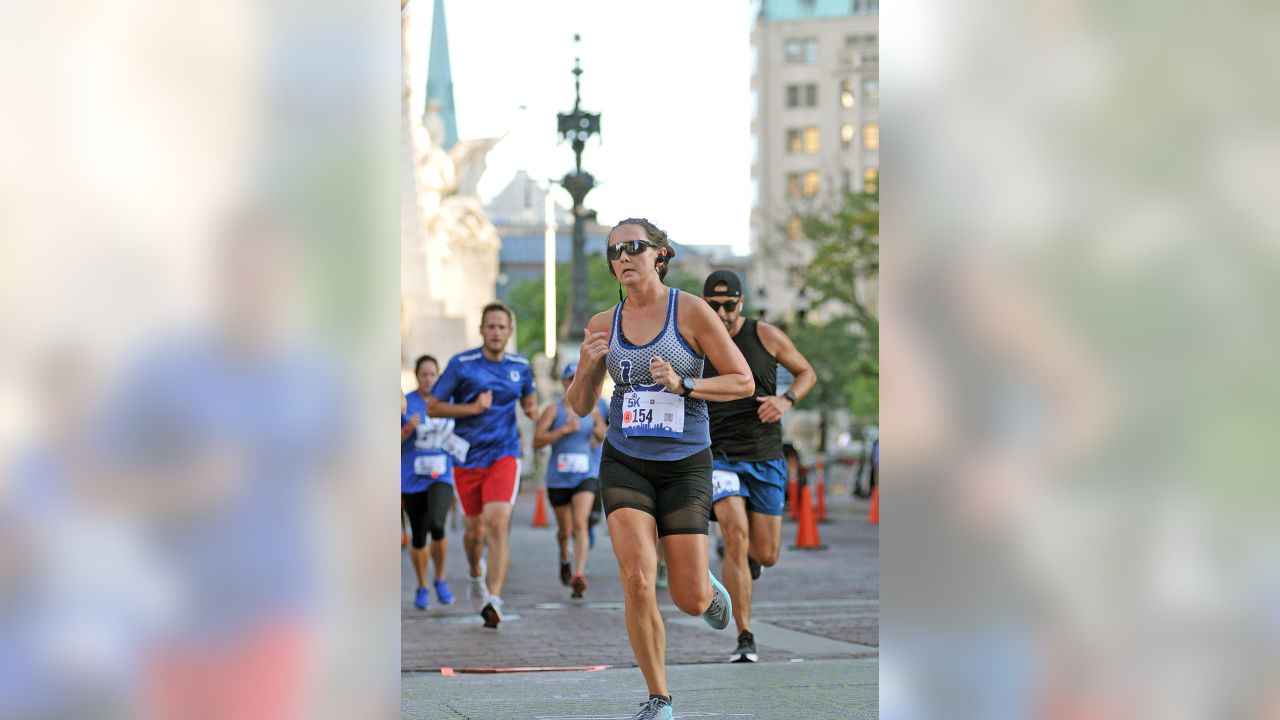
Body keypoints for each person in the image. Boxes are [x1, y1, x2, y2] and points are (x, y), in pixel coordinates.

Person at [566, 218, 754, 720]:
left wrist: (685, 385)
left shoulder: (689, 311)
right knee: (636, 578)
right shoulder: (603, 324)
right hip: (625, 461)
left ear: (659, 254)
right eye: (614, 252)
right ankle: (659, 698)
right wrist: (587, 369)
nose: (623, 257)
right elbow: (581, 407)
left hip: (685, 464)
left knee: (689, 600)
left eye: (634, 247)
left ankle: (707, 589)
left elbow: (742, 381)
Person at [701, 270, 816, 664]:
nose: (721, 312)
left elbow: (807, 372)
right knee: (734, 536)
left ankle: (751, 561)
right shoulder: (697, 343)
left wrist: (785, 400)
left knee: (765, 554)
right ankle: (745, 636)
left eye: (728, 304)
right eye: (713, 306)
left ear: (741, 303)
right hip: (719, 455)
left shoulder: (766, 336)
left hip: (765, 455)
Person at [427, 302, 538, 628]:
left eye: (502, 327)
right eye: (491, 326)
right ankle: (476, 574)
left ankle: (494, 598)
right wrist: (473, 409)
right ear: (481, 330)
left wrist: (532, 410)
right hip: (468, 459)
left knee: (498, 523)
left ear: (509, 331)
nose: (496, 332)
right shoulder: (462, 364)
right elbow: (434, 407)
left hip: (504, 454)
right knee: (474, 533)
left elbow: (528, 399)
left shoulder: (521, 365)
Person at [532, 361, 607, 598]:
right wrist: (561, 432)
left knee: (580, 523)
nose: (574, 381)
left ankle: (579, 573)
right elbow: (536, 441)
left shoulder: (592, 409)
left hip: (585, 474)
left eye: (578, 377)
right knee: (565, 530)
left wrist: (599, 435)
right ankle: (565, 556)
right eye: (569, 378)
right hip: (559, 477)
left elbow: (603, 432)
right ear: (563, 382)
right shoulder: (553, 410)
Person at [401, 355, 457, 610]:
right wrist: (406, 430)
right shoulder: (406, 404)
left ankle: (441, 578)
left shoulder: (448, 402)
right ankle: (423, 584)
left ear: (439, 376)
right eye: (423, 374)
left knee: (437, 524)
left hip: (442, 474)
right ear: (417, 376)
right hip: (412, 479)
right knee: (419, 537)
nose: (428, 379)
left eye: (432, 374)